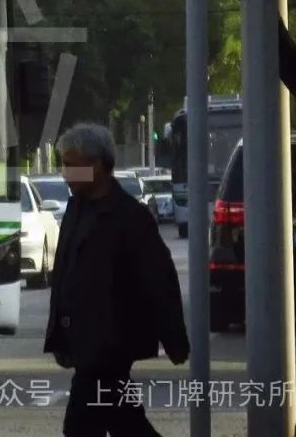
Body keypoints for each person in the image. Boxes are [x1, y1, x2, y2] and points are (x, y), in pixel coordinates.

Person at [44, 122, 190, 437]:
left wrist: (174, 339)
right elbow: (65, 275)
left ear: (97, 165)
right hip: (86, 342)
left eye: (72, 165)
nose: (65, 174)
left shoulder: (130, 216)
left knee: (83, 426)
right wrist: (59, 336)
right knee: (124, 422)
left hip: (112, 342)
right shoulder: (76, 209)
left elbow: (159, 280)